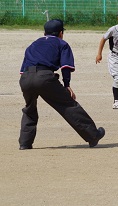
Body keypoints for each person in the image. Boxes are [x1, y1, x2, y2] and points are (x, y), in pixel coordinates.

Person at [19, 19, 105, 150]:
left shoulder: (33, 44)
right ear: (61, 33)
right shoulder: (62, 43)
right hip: (44, 77)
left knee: (29, 109)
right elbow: (65, 66)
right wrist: (67, 84)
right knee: (68, 105)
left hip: (25, 78)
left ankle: (25, 143)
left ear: (44, 32)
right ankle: (92, 135)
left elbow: (23, 69)